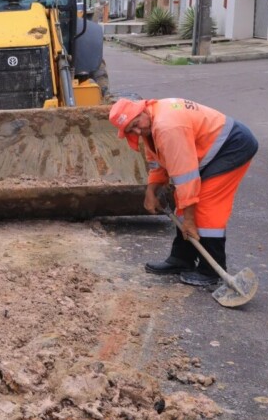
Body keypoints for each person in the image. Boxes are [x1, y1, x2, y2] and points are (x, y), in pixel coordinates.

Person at [110, 97, 258, 286]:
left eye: (137, 124)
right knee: (186, 203)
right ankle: (182, 259)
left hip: (233, 146)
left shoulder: (167, 127)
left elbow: (186, 177)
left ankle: (211, 270)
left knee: (205, 206)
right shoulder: (151, 125)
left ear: (143, 112)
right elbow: (158, 162)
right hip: (211, 150)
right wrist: (151, 190)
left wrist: (189, 220)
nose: (138, 131)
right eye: (132, 130)